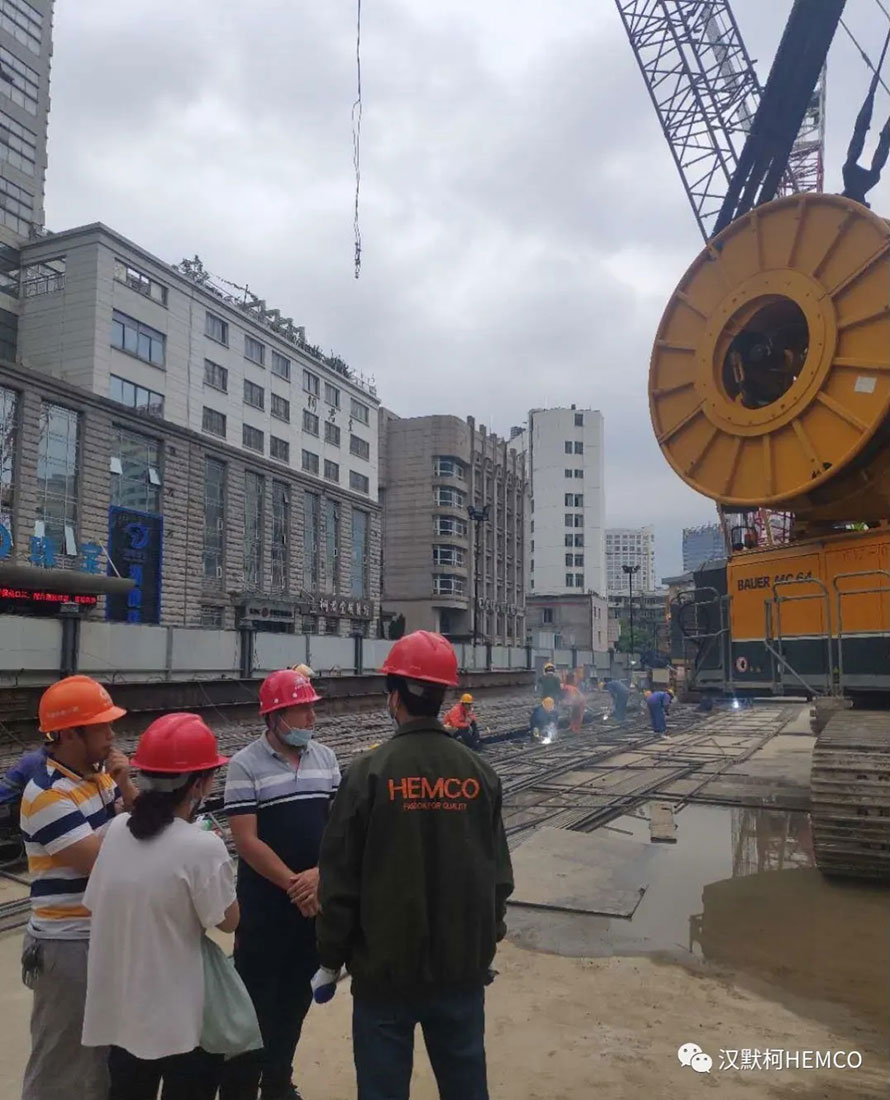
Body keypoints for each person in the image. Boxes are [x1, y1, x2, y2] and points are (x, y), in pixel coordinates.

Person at [314, 630, 514, 1100]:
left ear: (395, 697)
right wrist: (484, 942)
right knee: (465, 1087)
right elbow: (498, 877)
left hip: (384, 975)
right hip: (460, 970)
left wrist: (329, 959)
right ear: (443, 695)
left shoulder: (367, 774)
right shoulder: (479, 774)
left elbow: (339, 880)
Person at [81, 712, 237, 1099]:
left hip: (124, 1017)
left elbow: (96, 903)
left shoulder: (117, 831)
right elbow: (229, 921)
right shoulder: (202, 846)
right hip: (181, 1021)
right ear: (198, 784)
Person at [223, 669, 340, 1100]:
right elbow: (247, 841)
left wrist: (321, 875)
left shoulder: (326, 759)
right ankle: (241, 1089)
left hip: (312, 909)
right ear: (274, 717)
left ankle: (277, 1083)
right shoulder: (244, 765)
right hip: (264, 911)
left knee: (294, 1001)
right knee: (254, 1005)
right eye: (301, 709)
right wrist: (296, 884)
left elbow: (338, 828)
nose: (311, 717)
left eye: (311, 708)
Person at [19, 675, 135, 1100]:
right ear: (69, 733)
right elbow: (103, 861)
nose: (111, 735)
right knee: (61, 1063)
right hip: (67, 945)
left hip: (99, 936)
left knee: (97, 1063)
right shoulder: (48, 794)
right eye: (102, 727)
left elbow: (144, 823)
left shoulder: (99, 778)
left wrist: (126, 785)